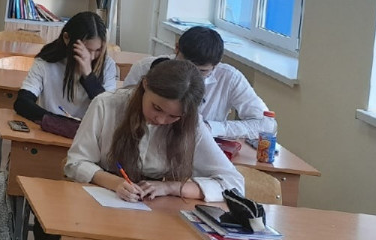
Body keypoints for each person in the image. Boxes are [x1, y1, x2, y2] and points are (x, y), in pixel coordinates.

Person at [65, 59, 244, 202]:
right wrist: (115, 183)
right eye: (157, 108)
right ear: (145, 85)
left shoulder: (191, 123)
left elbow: (234, 184)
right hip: (100, 196)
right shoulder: (106, 104)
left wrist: (170, 187)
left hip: (155, 207)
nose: (161, 120)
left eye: (173, 116)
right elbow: (76, 163)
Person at [122, 26, 276, 140]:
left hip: (200, 149)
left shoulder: (230, 78)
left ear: (216, 65)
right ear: (177, 48)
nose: (191, 75)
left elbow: (267, 125)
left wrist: (212, 127)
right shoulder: (145, 67)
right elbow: (122, 109)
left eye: (202, 71)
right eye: (185, 65)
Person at [14, 11, 117, 122]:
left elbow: (108, 110)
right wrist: (60, 122)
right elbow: (22, 103)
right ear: (67, 38)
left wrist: (88, 75)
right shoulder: (46, 61)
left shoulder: (107, 66)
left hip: (88, 131)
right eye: (86, 50)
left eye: (97, 50)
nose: (91, 57)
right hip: (51, 128)